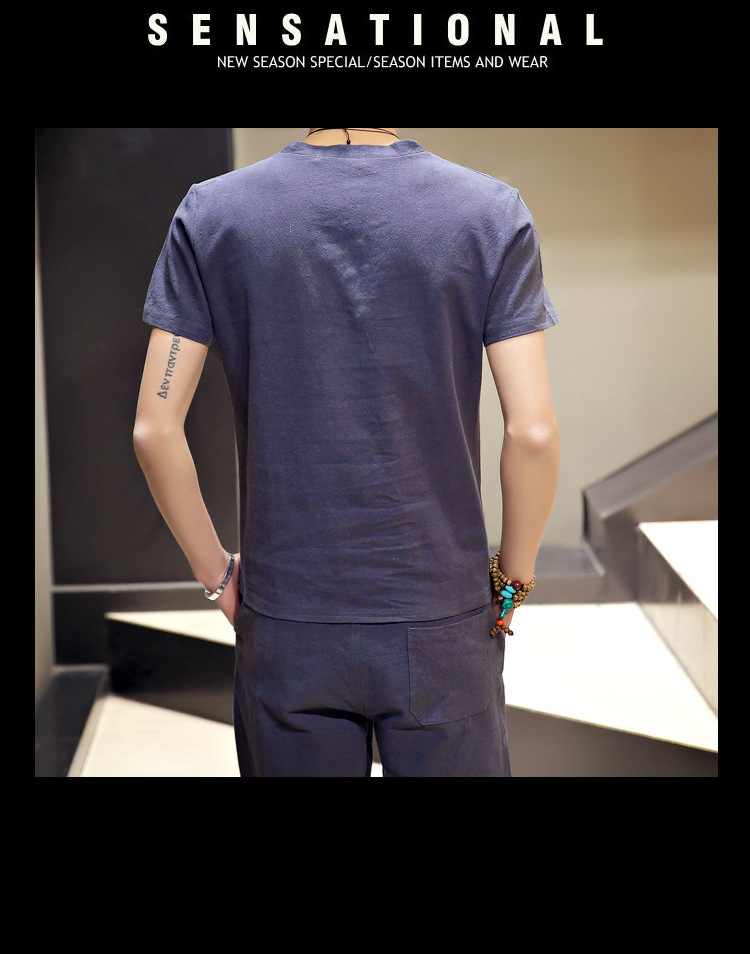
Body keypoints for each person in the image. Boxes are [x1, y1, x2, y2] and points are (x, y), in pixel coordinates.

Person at [133, 127, 560, 777]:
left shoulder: (214, 213)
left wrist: (219, 576)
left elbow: (154, 428)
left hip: (287, 617)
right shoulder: (489, 212)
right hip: (440, 616)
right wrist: (511, 585)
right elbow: (532, 434)